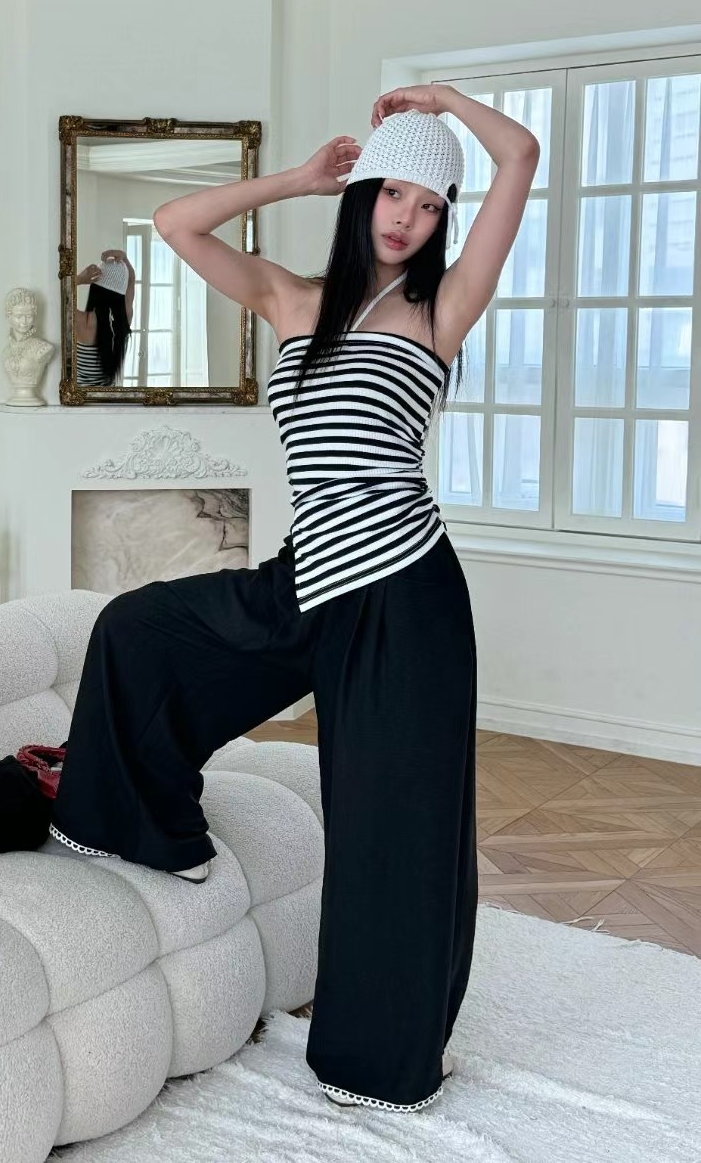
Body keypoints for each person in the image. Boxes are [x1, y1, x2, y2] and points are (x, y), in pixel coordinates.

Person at [49, 84, 540, 1112]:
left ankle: (380, 1061)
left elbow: (522, 155)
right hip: (304, 574)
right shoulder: (291, 299)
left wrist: (446, 102)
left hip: (403, 593)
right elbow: (177, 223)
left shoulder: (440, 311)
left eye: (431, 204)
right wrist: (299, 178)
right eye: (393, 192)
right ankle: (155, 831)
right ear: (362, 195)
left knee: (391, 828)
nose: (408, 218)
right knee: (136, 628)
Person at [74, 248, 136, 385]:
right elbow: (131, 282)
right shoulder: (123, 320)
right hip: (109, 397)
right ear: (121, 296)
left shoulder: (80, 321)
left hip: (79, 397)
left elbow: (59, 292)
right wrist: (125, 259)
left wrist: (80, 279)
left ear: (94, 290)